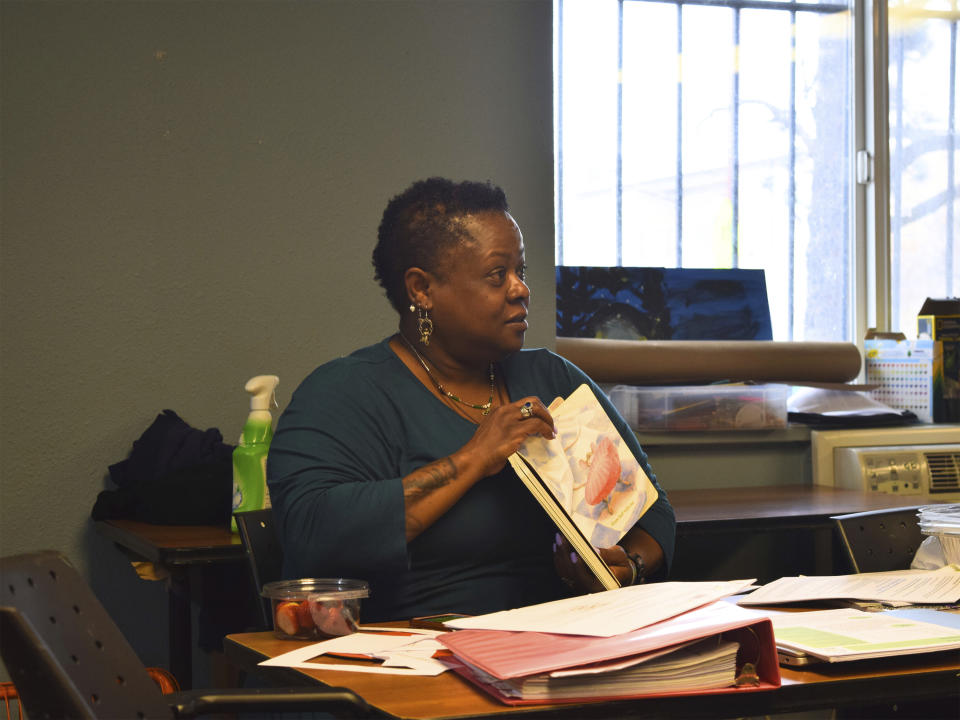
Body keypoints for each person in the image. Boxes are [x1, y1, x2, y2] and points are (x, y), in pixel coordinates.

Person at [267, 177, 675, 623]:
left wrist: (624, 567)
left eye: (521, 271)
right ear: (422, 289)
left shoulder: (551, 377)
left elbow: (651, 511)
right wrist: (474, 458)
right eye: (498, 274)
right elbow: (311, 536)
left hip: (566, 639)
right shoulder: (344, 393)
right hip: (419, 653)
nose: (521, 289)